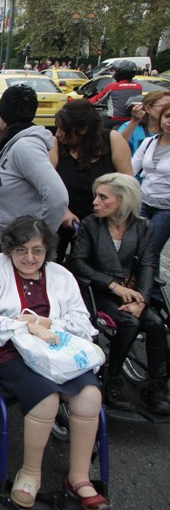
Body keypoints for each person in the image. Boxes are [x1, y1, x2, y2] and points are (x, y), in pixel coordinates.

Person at [0, 216, 109, 510]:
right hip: (10, 351)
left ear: (47, 250)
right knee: (46, 400)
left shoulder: (61, 276)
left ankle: (79, 477)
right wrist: (22, 326)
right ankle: (30, 474)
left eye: (37, 250)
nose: (30, 258)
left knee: (90, 397)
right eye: (21, 250)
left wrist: (47, 323)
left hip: (58, 351)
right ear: (9, 249)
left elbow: (82, 321)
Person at [67, 173, 170, 415]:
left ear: (123, 201)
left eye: (103, 197)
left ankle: (157, 388)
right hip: (97, 289)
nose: (95, 202)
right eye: (96, 196)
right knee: (128, 323)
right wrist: (114, 286)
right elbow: (78, 263)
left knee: (155, 323)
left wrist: (141, 301)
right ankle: (110, 380)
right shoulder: (90, 224)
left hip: (130, 291)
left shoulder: (143, 227)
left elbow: (147, 266)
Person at [0, 85, 68, 255]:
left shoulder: (25, 146)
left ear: (2, 114)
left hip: (15, 247)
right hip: (0, 240)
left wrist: (39, 240)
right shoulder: (12, 142)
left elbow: (58, 197)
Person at [50, 100, 133, 261]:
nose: (58, 133)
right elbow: (46, 183)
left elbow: (128, 184)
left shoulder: (113, 140)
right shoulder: (55, 144)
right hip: (63, 217)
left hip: (102, 221)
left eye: (64, 129)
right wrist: (62, 210)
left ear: (83, 130)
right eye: (58, 127)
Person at [131, 100, 170, 271]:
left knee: (151, 250)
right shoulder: (149, 142)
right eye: (168, 116)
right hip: (143, 203)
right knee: (133, 247)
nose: (169, 121)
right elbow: (130, 170)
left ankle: (151, 293)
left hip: (166, 208)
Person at [89, 60, 142, 129]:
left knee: (96, 126)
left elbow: (96, 100)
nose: (113, 73)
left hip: (115, 120)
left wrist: (82, 102)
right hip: (132, 119)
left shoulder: (113, 87)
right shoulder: (138, 87)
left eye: (115, 71)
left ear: (120, 73)